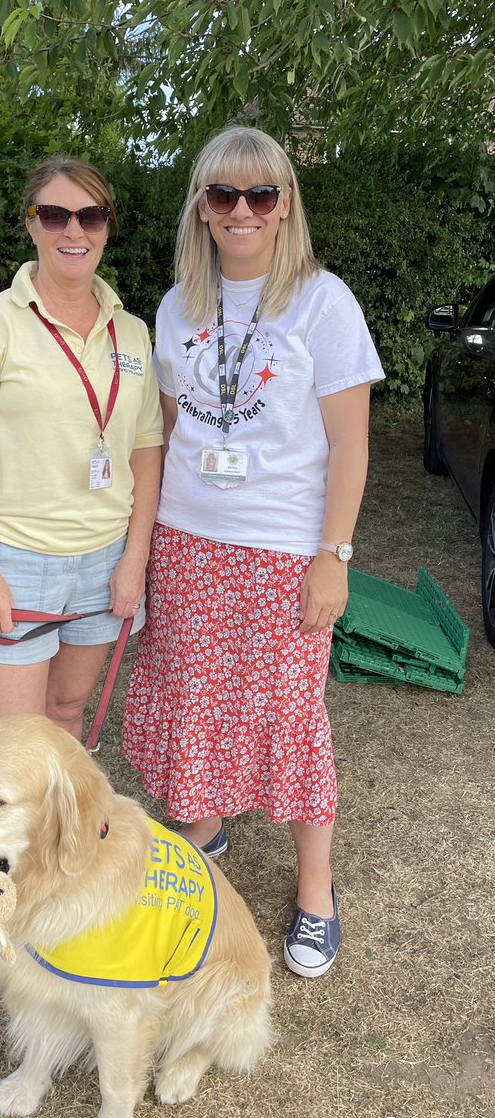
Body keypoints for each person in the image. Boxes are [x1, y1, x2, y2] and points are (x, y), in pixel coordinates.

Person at [121, 126, 384, 979]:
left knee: (290, 713)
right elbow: (161, 436)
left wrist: (332, 555)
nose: (241, 211)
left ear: (284, 207)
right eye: (223, 195)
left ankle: (315, 890)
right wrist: (144, 550)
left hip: (280, 548)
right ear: (200, 206)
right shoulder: (176, 306)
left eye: (260, 195)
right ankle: (203, 824)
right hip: (187, 540)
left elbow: (349, 446)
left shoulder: (322, 303)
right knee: (193, 693)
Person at [0, 155, 163, 740]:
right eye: (56, 214)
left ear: (108, 227)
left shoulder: (133, 332)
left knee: (65, 716)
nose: (74, 231)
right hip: (16, 557)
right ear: (31, 222)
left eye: (91, 216)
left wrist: (134, 560)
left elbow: (144, 452)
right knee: (13, 740)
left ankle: (58, 835)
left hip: (106, 559)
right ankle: (16, 835)